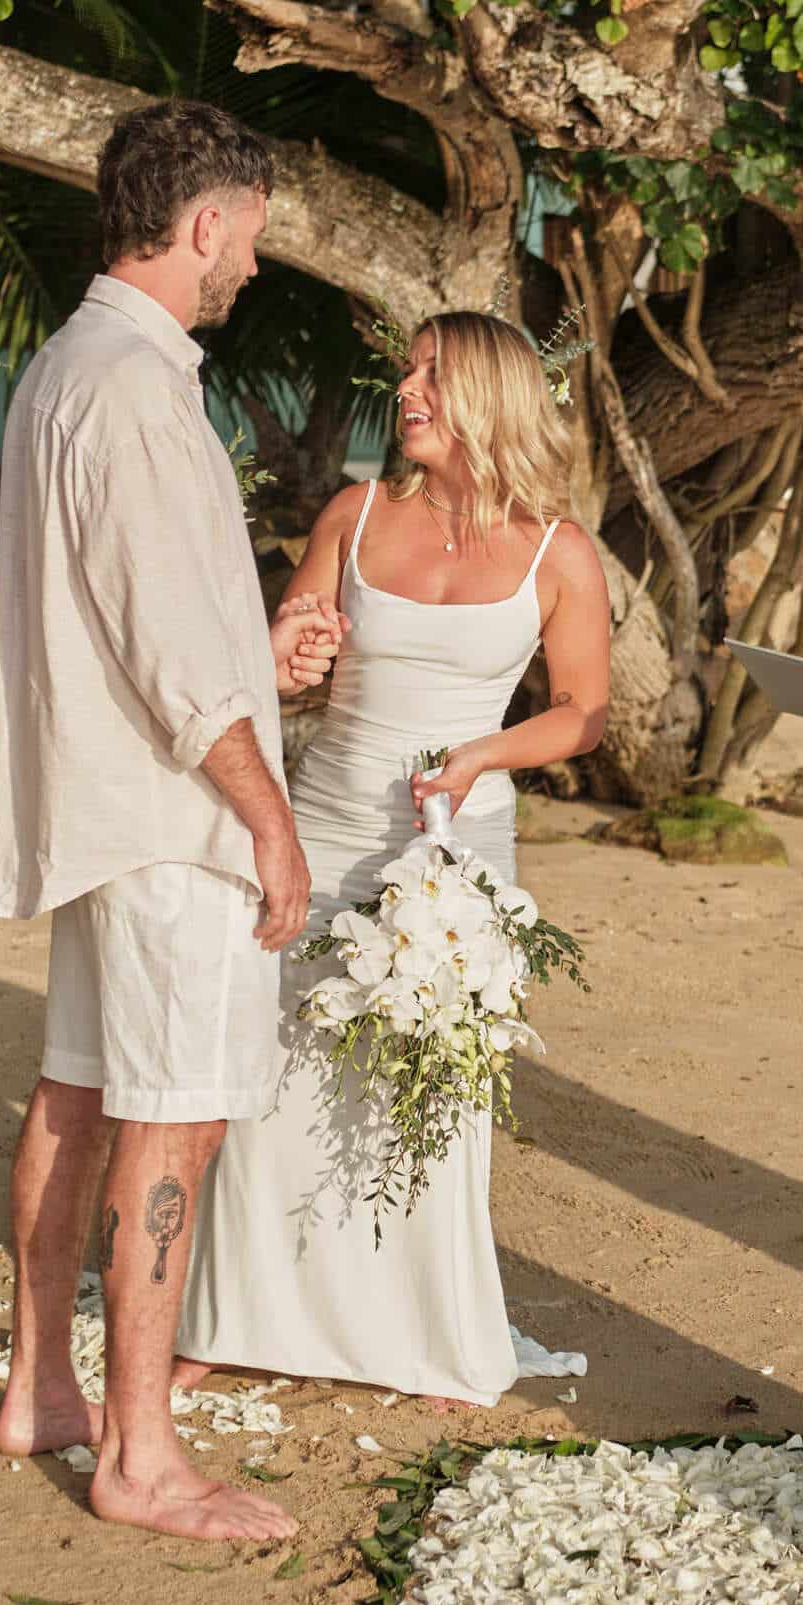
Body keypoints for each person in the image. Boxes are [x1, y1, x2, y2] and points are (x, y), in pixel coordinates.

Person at [0, 98, 346, 1542]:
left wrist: (261, 656)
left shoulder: (70, 372)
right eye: (249, 239)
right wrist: (266, 813)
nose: (249, 268)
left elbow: (138, 622)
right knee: (172, 1123)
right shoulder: (134, 391)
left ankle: (40, 1387)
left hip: (111, 809)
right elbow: (160, 650)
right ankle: (139, 1456)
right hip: (173, 826)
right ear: (204, 224)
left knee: (81, 1091)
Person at [175, 309, 610, 1404]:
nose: (406, 391)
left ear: (491, 399)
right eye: (408, 372)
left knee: (427, 1085)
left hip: (457, 850)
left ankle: (408, 1321)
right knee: (279, 1074)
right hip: (323, 826)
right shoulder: (356, 513)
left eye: (430, 375)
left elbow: (583, 713)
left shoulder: (562, 552)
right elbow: (284, 657)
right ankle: (235, 1316)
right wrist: (295, 652)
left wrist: (483, 755)